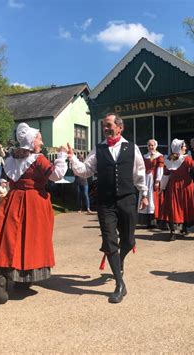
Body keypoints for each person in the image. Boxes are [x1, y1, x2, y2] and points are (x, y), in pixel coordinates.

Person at [0, 123, 67, 304]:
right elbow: (57, 175)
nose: (42, 141)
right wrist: (61, 155)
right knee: (29, 240)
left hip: (13, 200)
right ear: (31, 141)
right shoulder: (38, 159)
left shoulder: (11, 159)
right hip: (34, 202)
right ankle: (22, 279)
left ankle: (5, 277)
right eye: (39, 138)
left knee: (7, 238)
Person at [67, 113, 148, 304]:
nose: (105, 128)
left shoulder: (132, 148)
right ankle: (120, 284)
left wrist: (144, 194)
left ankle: (119, 262)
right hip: (105, 202)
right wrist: (72, 158)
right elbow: (86, 170)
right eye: (104, 125)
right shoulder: (99, 148)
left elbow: (140, 173)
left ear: (120, 127)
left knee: (128, 239)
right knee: (110, 240)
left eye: (109, 125)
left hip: (127, 199)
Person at [160, 139, 194, 241]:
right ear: (180, 148)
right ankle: (183, 228)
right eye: (184, 146)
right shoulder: (186, 159)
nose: (186, 148)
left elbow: (165, 175)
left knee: (174, 207)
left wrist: (162, 187)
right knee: (184, 206)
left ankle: (175, 231)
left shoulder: (169, 159)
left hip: (174, 186)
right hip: (185, 186)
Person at [138, 139, 164, 227]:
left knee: (153, 199)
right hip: (145, 179)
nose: (151, 147)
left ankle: (154, 221)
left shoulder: (159, 156)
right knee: (145, 197)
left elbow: (160, 169)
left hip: (153, 179)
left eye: (152, 145)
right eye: (149, 145)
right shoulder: (145, 156)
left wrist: (157, 181)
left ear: (155, 146)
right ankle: (147, 221)